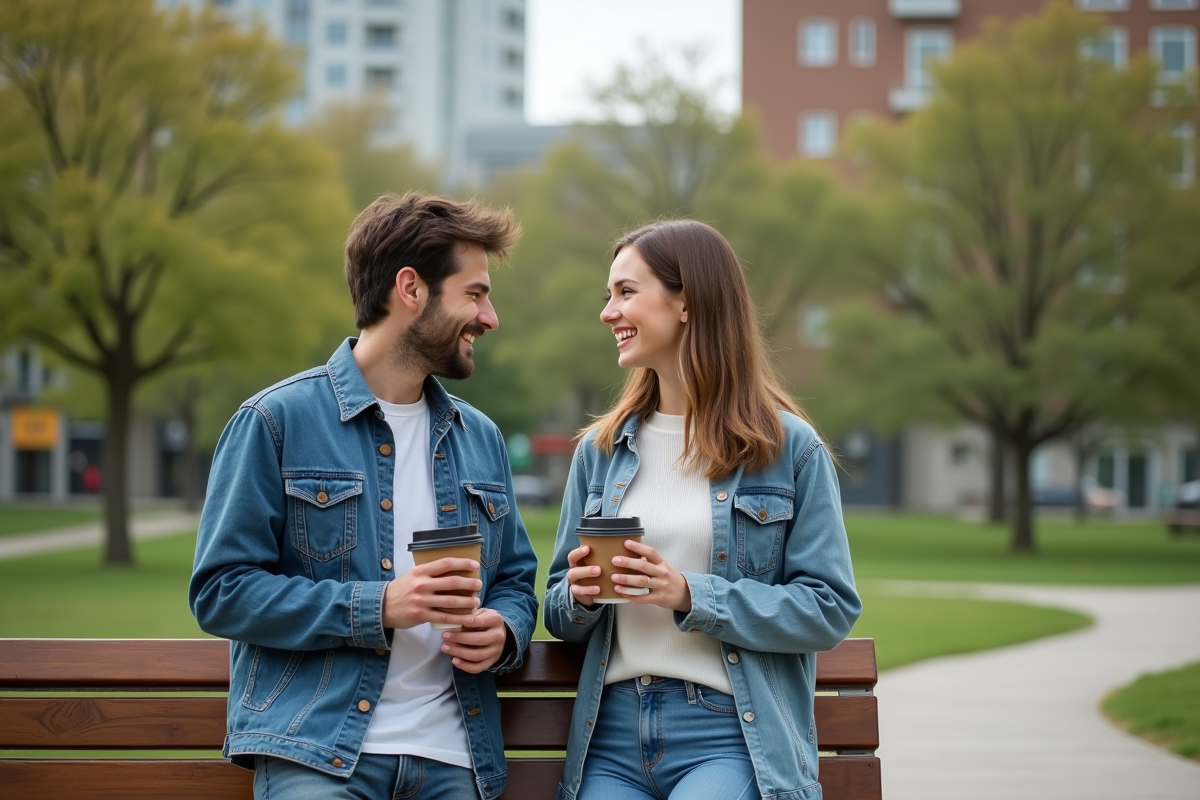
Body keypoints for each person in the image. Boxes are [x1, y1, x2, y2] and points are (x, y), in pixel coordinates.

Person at [190, 192, 539, 800]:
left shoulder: (478, 438)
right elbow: (222, 591)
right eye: (475, 294)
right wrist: (376, 606)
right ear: (411, 289)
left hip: (455, 758)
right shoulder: (276, 421)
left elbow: (513, 579)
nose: (490, 318)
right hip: (317, 752)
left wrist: (504, 630)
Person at [544, 220, 862, 800]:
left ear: (686, 301)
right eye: (608, 295)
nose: (607, 312)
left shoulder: (788, 448)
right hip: (609, 735)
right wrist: (581, 594)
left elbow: (829, 608)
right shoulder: (601, 450)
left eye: (625, 292)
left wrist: (692, 595)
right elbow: (558, 609)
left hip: (729, 736)